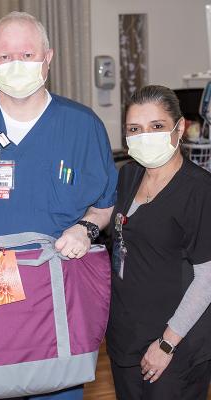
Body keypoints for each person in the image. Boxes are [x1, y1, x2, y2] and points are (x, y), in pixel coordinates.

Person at [0, 11, 117, 400]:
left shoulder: (82, 126)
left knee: (57, 389)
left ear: (49, 57)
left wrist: (86, 229)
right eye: (5, 56)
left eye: (27, 55)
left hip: (57, 289)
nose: (17, 65)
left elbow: (103, 205)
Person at [107, 85, 211, 399]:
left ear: (179, 128)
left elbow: (207, 277)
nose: (145, 136)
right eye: (134, 129)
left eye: (156, 126)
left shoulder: (199, 190)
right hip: (126, 338)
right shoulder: (128, 177)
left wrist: (167, 343)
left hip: (176, 346)